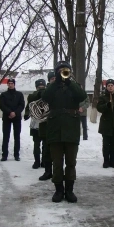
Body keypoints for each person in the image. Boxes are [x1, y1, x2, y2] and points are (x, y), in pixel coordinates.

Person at [41, 61, 87, 203]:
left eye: (65, 70)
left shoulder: (74, 86)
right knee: (57, 162)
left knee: (71, 162)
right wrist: (56, 81)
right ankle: (58, 190)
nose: (63, 73)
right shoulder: (52, 87)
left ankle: (70, 190)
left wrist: (69, 82)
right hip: (55, 129)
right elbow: (45, 97)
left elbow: (82, 96)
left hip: (71, 129)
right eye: (60, 71)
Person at [0, 78, 25, 161]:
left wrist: (15, 113)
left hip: (16, 117)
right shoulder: (4, 94)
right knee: (6, 136)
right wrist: (9, 112)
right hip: (7, 117)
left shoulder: (19, 94)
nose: (10, 85)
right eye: (9, 83)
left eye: (12, 83)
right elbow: (2, 105)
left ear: (14, 84)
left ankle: (16, 154)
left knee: (17, 136)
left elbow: (21, 105)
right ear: (7, 84)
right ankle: (4, 155)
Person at [97, 79, 114, 168]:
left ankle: (113, 160)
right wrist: (106, 106)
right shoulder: (103, 97)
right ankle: (106, 161)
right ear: (106, 87)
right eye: (108, 85)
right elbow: (99, 108)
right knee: (106, 144)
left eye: (112, 85)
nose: (110, 87)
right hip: (106, 124)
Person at [25, 79, 46, 169]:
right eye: (39, 87)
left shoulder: (47, 94)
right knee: (36, 144)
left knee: (45, 144)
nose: (41, 89)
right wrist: (26, 114)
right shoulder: (32, 96)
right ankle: (37, 161)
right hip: (35, 123)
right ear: (36, 87)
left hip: (45, 122)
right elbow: (29, 105)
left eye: (42, 87)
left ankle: (44, 161)